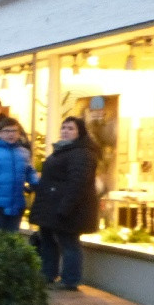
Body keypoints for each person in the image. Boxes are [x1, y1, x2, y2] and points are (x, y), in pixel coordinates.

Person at [29, 117, 99, 291]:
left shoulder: (82, 153)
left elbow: (78, 183)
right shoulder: (62, 150)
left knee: (68, 243)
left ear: (79, 132)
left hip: (68, 207)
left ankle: (70, 280)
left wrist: (65, 208)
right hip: (50, 205)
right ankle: (48, 274)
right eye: (64, 127)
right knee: (48, 241)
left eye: (70, 128)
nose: (65, 131)